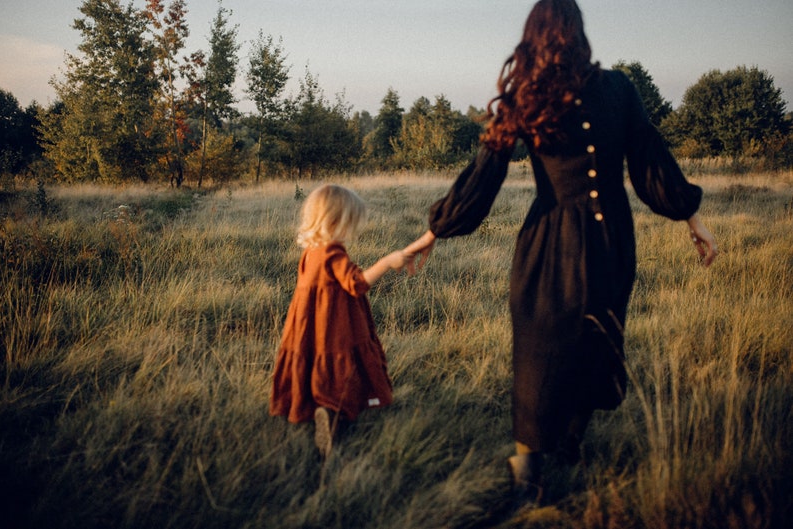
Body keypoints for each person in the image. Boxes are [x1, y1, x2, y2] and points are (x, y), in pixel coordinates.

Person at [403, 0, 717, 502]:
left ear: (535, 36)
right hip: (612, 240)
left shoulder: (528, 95)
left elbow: (483, 178)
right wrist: (693, 221)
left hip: (549, 244)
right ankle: (568, 442)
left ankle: (534, 465)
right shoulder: (619, 88)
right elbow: (652, 165)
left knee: (540, 351)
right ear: (578, 32)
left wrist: (431, 235)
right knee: (595, 336)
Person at [269, 184, 408, 457]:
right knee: (339, 369)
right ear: (335, 221)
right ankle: (332, 417)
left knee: (314, 364)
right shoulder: (333, 252)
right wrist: (387, 262)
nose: (353, 231)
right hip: (334, 326)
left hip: (309, 327)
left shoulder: (311, 252)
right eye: (351, 223)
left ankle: (315, 407)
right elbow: (357, 284)